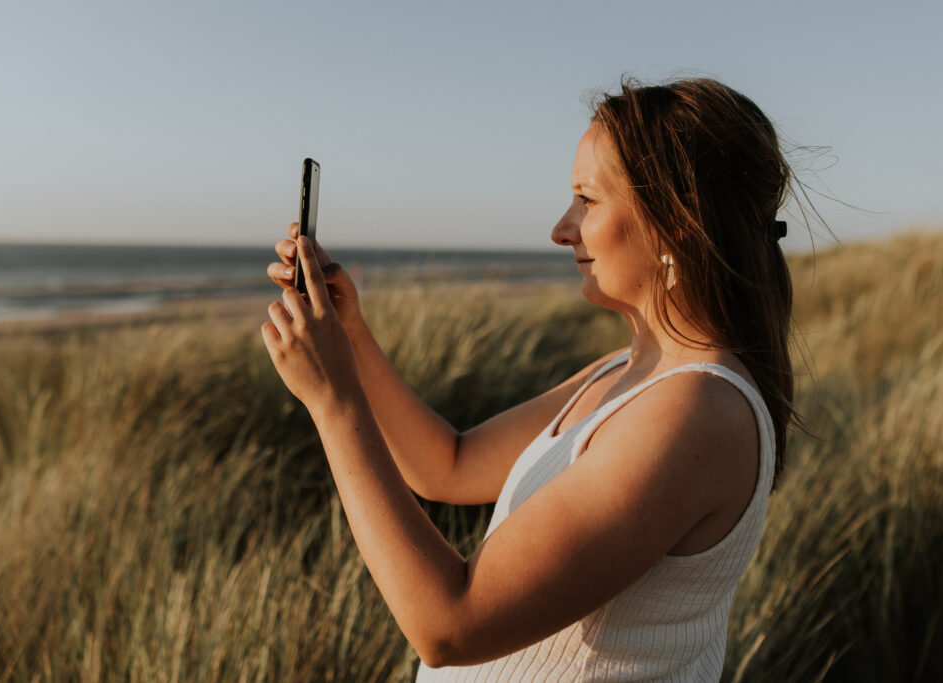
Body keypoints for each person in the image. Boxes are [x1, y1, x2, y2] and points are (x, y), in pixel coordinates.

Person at [261, 77, 799, 681]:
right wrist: (352, 337)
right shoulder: (624, 373)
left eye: (587, 200)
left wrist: (333, 403)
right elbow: (449, 464)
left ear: (675, 224)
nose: (561, 229)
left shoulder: (698, 410)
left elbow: (449, 624)